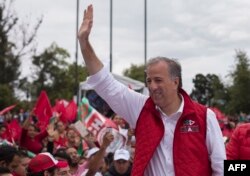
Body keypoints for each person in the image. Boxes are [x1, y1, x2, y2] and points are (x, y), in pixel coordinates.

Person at [78, 4, 226, 176]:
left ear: (175, 82)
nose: (152, 86)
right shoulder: (140, 108)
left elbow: (221, 166)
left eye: (158, 80)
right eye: (149, 81)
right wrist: (84, 43)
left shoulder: (204, 117)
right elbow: (105, 83)